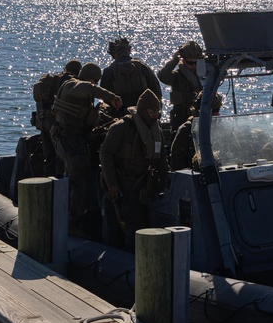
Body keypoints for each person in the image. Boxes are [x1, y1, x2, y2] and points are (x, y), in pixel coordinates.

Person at [50, 63, 122, 237]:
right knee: (79, 180)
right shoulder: (73, 86)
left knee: (81, 178)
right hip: (67, 140)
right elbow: (87, 88)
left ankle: (81, 217)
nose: (95, 84)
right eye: (95, 81)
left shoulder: (83, 98)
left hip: (75, 140)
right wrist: (111, 97)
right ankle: (72, 223)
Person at [99, 89, 168, 251]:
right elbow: (105, 154)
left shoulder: (155, 131)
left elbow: (162, 160)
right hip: (124, 183)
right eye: (152, 112)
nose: (155, 116)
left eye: (157, 113)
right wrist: (112, 184)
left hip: (144, 183)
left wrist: (160, 184)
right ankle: (131, 258)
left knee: (147, 220)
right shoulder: (121, 128)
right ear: (144, 110)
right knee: (132, 224)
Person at [32, 59, 82, 176]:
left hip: (43, 121)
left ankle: (48, 182)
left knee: (48, 156)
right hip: (56, 123)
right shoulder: (72, 82)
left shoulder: (51, 79)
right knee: (60, 156)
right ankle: (60, 185)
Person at [100, 37, 162, 117]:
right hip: (145, 114)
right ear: (129, 50)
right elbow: (157, 92)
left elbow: (105, 98)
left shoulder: (108, 71)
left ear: (112, 54)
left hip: (121, 116)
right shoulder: (142, 67)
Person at [158, 40, 205, 131]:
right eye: (190, 63)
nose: (193, 66)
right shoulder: (177, 76)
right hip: (180, 118)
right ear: (183, 61)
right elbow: (162, 76)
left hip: (200, 116)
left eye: (196, 63)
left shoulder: (204, 75)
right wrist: (174, 60)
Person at [169, 92, 222, 171]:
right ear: (200, 110)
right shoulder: (187, 129)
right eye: (213, 111)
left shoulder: (220, 128)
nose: (215, 114)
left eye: (217, 110)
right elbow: (177, 161)